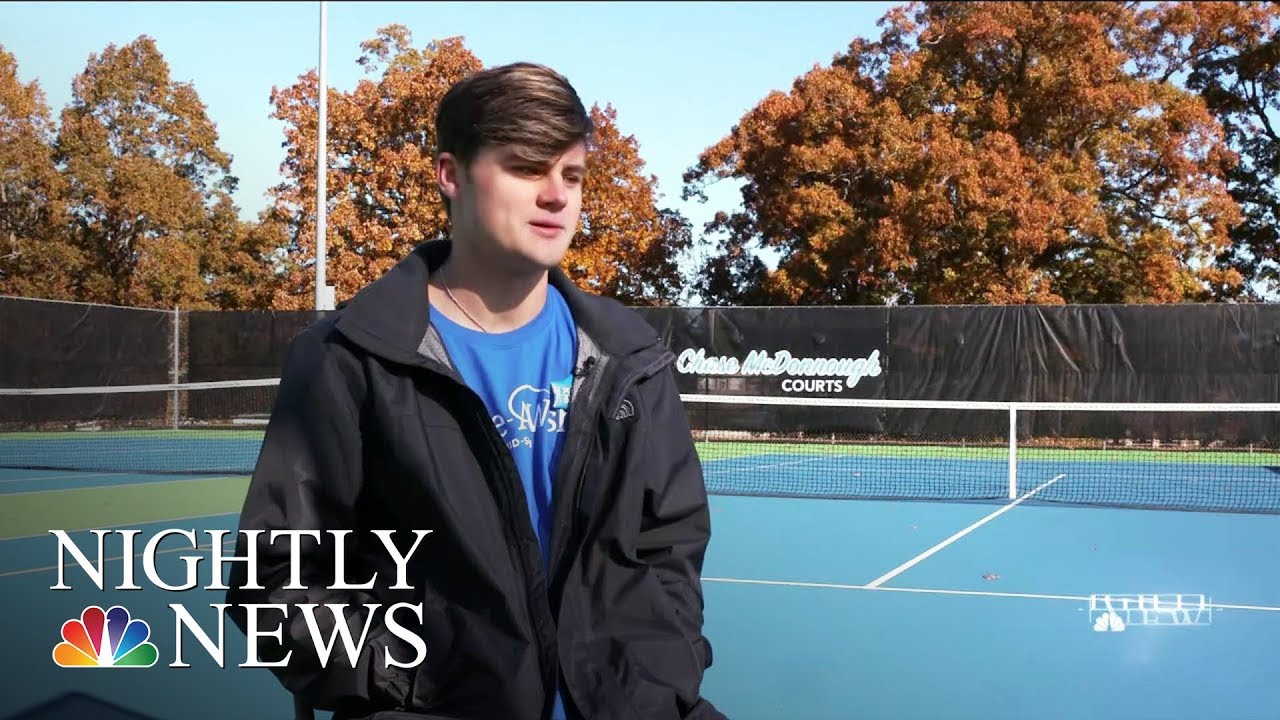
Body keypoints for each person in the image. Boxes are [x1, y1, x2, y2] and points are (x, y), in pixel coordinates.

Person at [225, 62, 726, 720]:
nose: (557, 196)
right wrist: (409, 684)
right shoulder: (347, 361)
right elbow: (274, 579)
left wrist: (656, 682)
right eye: (526, 167)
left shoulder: (630, 357)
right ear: (451, 175)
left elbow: (668, 547)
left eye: (571, 175)